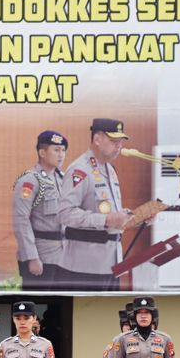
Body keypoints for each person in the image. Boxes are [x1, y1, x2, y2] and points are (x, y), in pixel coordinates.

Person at [57, 118, 132, 290]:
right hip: (84, 267)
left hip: (111, 264)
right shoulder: (80, 170)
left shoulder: (110, 170)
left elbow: (112, 212)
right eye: (114, 141)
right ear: (97, 139)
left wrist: (137, 217)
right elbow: (65, 214)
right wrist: (106, 220)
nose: (119, 145)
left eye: (120, 141)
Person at [13, 131, 70, 289]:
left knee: (61, 307)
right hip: (41, 256)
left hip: (63, 256)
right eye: (56, 150)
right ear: (42, 152)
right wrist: (31, 257)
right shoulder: (30, 181)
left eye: (63, 150)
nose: (61, 155)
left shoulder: (64, 179)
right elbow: (21, 221)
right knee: (38, 306)